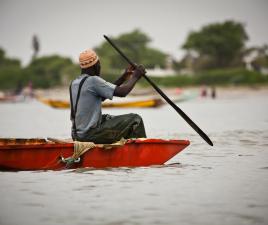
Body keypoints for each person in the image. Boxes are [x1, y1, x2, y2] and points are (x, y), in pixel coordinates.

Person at [69, 49, 147, 143]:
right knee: (135, 119)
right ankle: (142, 149)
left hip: (76, 135)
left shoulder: (74, 83)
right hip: (89, 135)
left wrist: (124, 77)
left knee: (107, 118)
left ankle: (127, 145)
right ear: (96, 65)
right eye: (99, 64)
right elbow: (123, 92)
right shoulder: (93, 80)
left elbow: (103, 96)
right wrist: (136, 76)